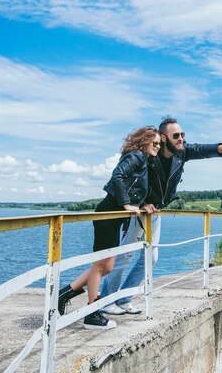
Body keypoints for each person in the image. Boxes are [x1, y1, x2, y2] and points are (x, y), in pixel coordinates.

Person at [99, 117, 222, 315]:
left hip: (155, 211)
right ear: (164, 138)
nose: (181, 139)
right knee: (125, 255)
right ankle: (107, 299)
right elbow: (132, 180)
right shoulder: (150, 155)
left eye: (183, 135)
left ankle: (124, 298)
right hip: (140, 211)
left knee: (152, 257)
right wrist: (138, 204)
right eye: (176, 136)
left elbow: (199, 149)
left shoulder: (180, 154)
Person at [57, 126, 161, 330]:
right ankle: (92, 314)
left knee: (108, 267)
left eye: (159, 144)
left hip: (115, 218)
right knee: (99, 265)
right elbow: (118, 176)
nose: (157, 147)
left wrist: (142, 205)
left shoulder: (144, 161)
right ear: (144, 141)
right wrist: (126, 204)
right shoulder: (136, 155)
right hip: (107, 215)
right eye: (155, 142)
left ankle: (66, 293)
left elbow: (135, 188)